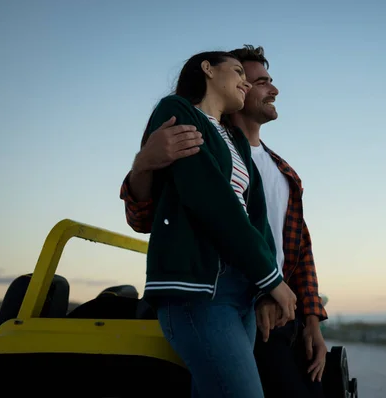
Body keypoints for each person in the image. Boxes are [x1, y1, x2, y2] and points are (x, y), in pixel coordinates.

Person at [121, 45, 328, 398]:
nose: (253, 86)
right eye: (246, 77)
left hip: (260, 297)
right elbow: (194, 205)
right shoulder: (178, 113)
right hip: (205, 289)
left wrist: (309, 315)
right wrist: (141, 165)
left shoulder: (275, 168)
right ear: (208, 70)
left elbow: (292, 242)